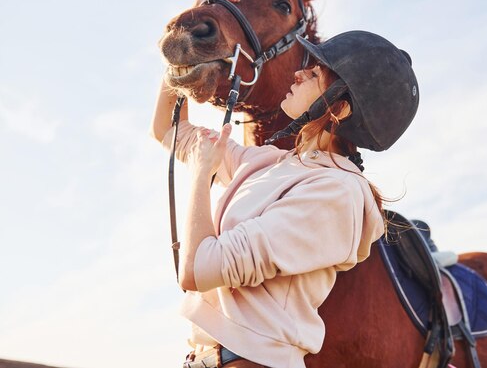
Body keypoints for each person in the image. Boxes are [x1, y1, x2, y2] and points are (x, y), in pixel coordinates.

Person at [150, 30, 419, 368]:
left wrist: (203, 174)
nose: (299, 72)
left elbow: (197, 269)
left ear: (341, 106)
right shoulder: (271, 164)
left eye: (316, 71)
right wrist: (181, 53)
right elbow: (168, 130)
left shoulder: (337, 191)